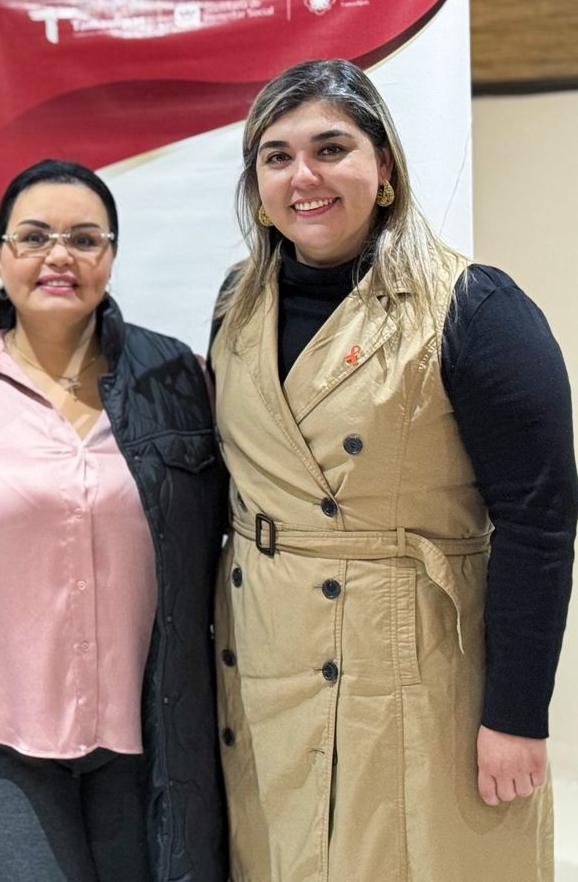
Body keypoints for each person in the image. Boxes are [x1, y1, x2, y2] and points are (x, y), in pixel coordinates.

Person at [212, 58, 576, 880]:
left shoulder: (474, 308)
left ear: (383, 168)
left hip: (413, 665)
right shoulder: (237, 305)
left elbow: (539, 520)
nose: (303, 176)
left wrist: (518, 714)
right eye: (276, 156)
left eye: (330, 148)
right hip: (265, 657)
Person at [0, 160, 228, 881]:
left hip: (145, 741)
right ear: (1, 256)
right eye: (34, 237)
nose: (59, 256)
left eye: (85, 240)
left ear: (111, 258)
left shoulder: (176, 379)